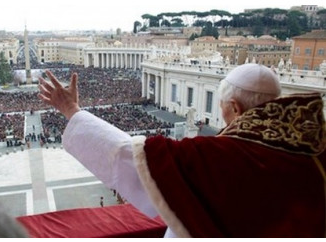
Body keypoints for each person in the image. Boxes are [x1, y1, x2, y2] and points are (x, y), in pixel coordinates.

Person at [38, 64, 326, 238]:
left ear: (234, 108)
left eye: (223, 105)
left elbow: (135, 162)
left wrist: (71, 110)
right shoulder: (316, 155)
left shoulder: (217, 155)